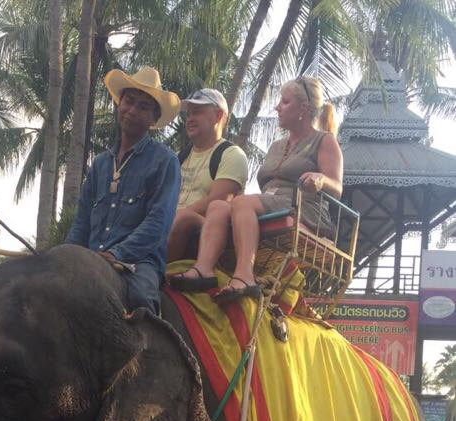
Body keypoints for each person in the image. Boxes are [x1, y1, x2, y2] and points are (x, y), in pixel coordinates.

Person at [173, 76, 343, 302]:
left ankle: (244, 276)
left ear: (303, 108)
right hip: (272, 203)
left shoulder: (324, 140)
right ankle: (203, 269)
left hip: (303, 206)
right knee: (218, 206)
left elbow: (337, 187)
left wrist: (320, 180)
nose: (277, 107)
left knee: (242, 202)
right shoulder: (276, 146)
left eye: (285, 102)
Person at [66, 66, 181, 315]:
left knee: (140, 300)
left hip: (138, 264)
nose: (132, 111)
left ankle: (148, 353)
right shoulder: (100, 164)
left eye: (143, 107)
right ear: (119, 103)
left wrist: (117, 254)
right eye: (129, 101)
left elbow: (158, 223)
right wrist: (66, 255)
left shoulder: (165, 161)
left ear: (154, 119)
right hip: (92, 256)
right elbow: (82, 221)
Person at [167, 88, 249, 275]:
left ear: (219, 115)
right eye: (188, 114)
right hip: (171, 225)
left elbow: (219, 199)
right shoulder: (181, 156)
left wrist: (172, 217)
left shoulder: (232, 155)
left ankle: (156, 273)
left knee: (182, 218)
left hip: (207, 230)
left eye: (197, 113)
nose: (190, 119)